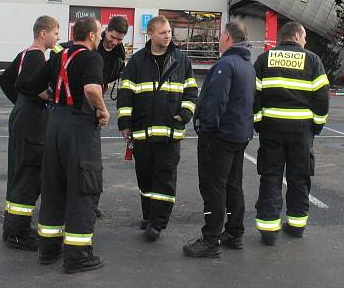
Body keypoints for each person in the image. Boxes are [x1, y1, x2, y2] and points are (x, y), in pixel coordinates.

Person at [24, 17, 110, 274]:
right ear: (93, 36)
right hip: (80, 127)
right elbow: (93, 88)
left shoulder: (58, 56)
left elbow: (31, 85)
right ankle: (78, 256)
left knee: (53, 186)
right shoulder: (92, 58)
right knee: (84, 188)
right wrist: (103, 111)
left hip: (56, 125)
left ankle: (48, 249)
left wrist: (55, 101)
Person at [117, 15, 198, 242]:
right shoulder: (137, 61)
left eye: (169, 31)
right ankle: (149, 215)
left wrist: (184, 115)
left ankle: (158, 223)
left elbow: (192, 92)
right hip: (142, 133)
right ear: (150, 34)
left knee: (164, 179)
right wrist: (124, 123)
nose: (168, 35)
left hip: (170, 133)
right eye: (163, 32)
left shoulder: (181, 60)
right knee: (145, 179)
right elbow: (125, 95)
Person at [183, 21, 256, 258]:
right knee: (233, 185)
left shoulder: (226, 64)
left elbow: (215, 102)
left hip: (219, 137)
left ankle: (210, 239)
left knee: (213, 188)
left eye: (220, 35)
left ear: (227, 37)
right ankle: (234, 233)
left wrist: (207, 129)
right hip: (239, 135)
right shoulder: (247, 65)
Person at [253, 21, 329, 246]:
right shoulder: (313, 60)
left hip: (271, 130)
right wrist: (316, 126)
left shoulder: (264, 59)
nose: (305, 41)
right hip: (301, 132)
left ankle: (268, 231)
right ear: (296, 35)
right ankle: (296, 226)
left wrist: (259, 123)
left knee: (270, 176)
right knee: (299, 177)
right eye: (304, 37)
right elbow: (322, 98)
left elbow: (254, 96)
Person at [52, 16, 128, 219]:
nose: (114, 42)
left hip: (92, 106)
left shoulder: (119, 55)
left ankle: (89, 204)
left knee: (90, 164)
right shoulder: (89, 50)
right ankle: (76, 204)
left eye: (119, 40)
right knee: (77, 161)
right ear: (104, 32)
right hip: (78, 105)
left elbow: (105, 81)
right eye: (112, 37)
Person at [0, 15, 60, 250]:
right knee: (29, 172)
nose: (58, 37)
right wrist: (45, 99)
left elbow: (6, 80)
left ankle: (12, 227)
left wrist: (20, 102)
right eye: (55, 32)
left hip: (21, 116)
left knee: (18, 169)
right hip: (32, 122)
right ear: (43, 34)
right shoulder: (36, 56)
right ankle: (19, 232)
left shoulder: (25, 54)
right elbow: (31, 85)